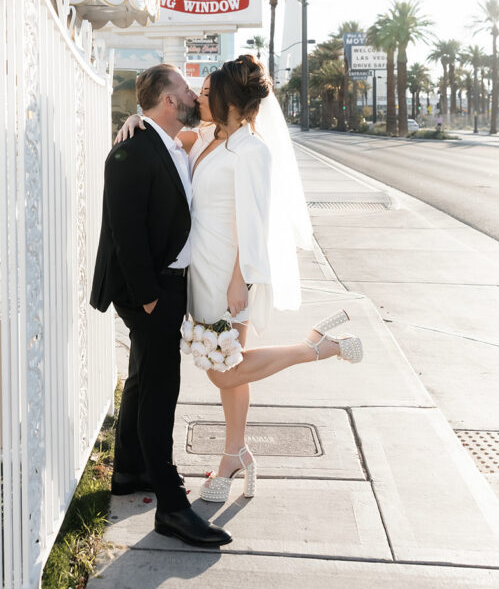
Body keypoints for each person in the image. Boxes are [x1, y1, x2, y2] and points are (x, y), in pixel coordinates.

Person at [117, 55, 362, 504]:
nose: (198, 98)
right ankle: (234, 454)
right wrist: (136, 118)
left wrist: (239, 282)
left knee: (223, 370)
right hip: (201, 270)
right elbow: (162, 128)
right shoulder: (210, 137)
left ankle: (318, 348)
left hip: (231, 276)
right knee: (231, 367)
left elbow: (254, 224)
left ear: (230, 98)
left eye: (207, 93)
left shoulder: (253, 150)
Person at [90, 63, 231, 547]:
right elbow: (124, 232)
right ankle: (171, 507)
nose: (195, 97)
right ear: (170, 101)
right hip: (147, 291)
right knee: (160, 391)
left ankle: (130, 472)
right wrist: (150, 297)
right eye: (188, 91)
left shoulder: (170, 143)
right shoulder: (131, 151)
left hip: (166, 286)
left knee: (143, 378)